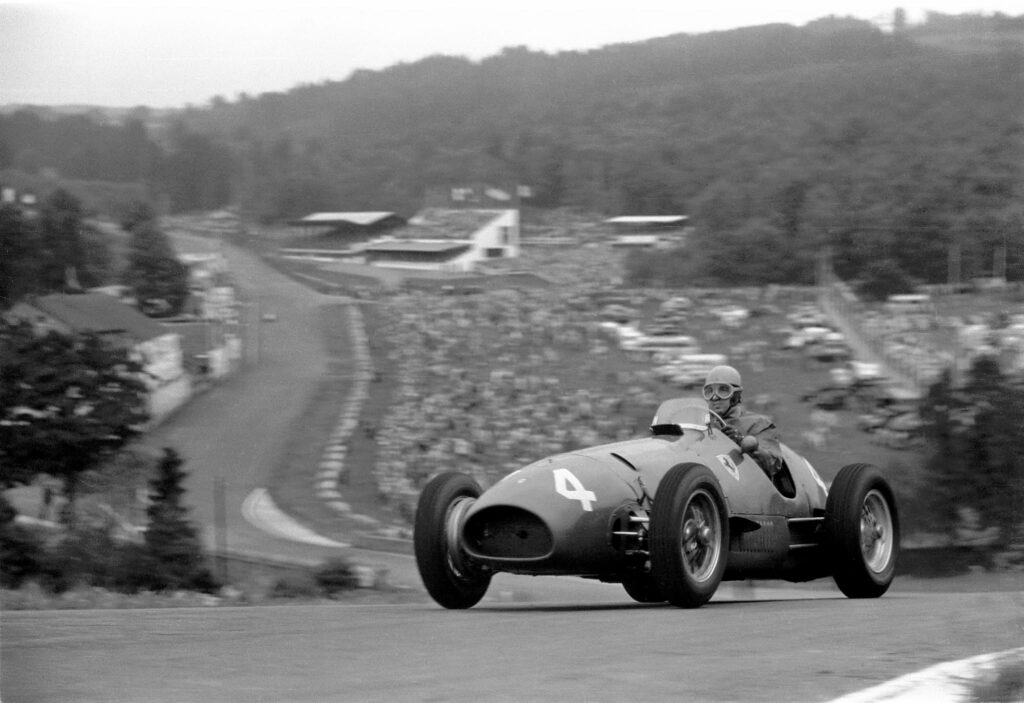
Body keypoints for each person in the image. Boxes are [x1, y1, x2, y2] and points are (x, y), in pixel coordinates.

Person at [702, 365, 784, 481]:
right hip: (707, 480)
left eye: (723, 390)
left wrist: (741, 441)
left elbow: (773, 464)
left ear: (736, 395)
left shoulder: (759, 423)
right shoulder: (700, 424)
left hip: (746, 485)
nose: (715, 397)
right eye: (709, 391)